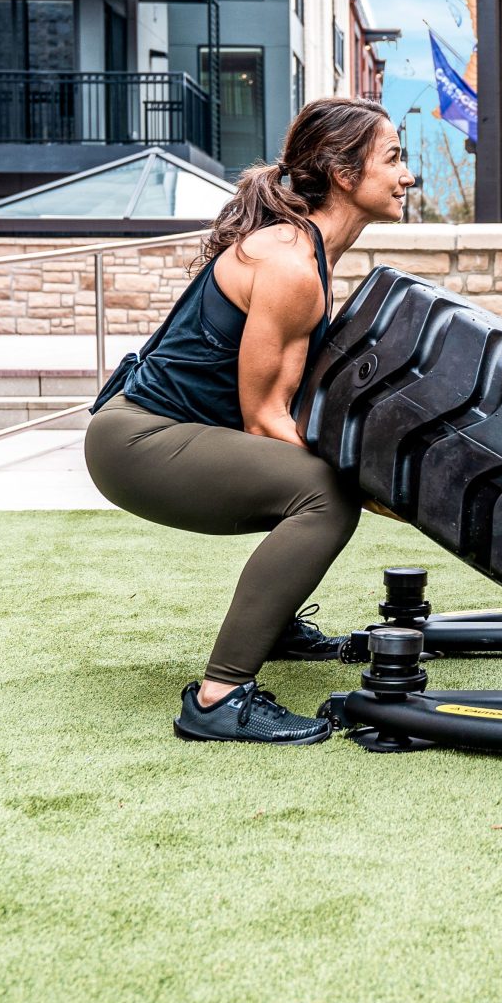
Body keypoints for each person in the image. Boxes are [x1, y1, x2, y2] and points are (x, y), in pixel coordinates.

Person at [84, 97, 414, 745]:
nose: (405, 176)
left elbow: (289, 407)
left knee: (323, 484)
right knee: (324, 495)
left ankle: (274, 624)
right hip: (135, 437)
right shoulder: (291, 264)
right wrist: (369, 492)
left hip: (163, 432)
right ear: (344, 174)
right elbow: (265, 420)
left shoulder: (310, 253)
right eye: (394, 159)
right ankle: (219, 694)